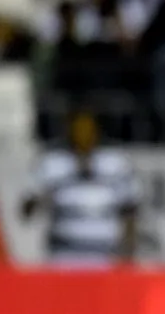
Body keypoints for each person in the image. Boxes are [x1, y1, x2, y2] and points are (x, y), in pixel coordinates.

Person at [21, 109, 140, 266]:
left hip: (105, 258)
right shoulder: (52, 163)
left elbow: (129, 211)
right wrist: (42, 196)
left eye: (88, 129)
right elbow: (27, 210)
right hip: (63, 257)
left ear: (97, 131)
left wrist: (128, 254)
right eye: (78, 129)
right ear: (69, 130)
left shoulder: (116, 163)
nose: (83, 134)